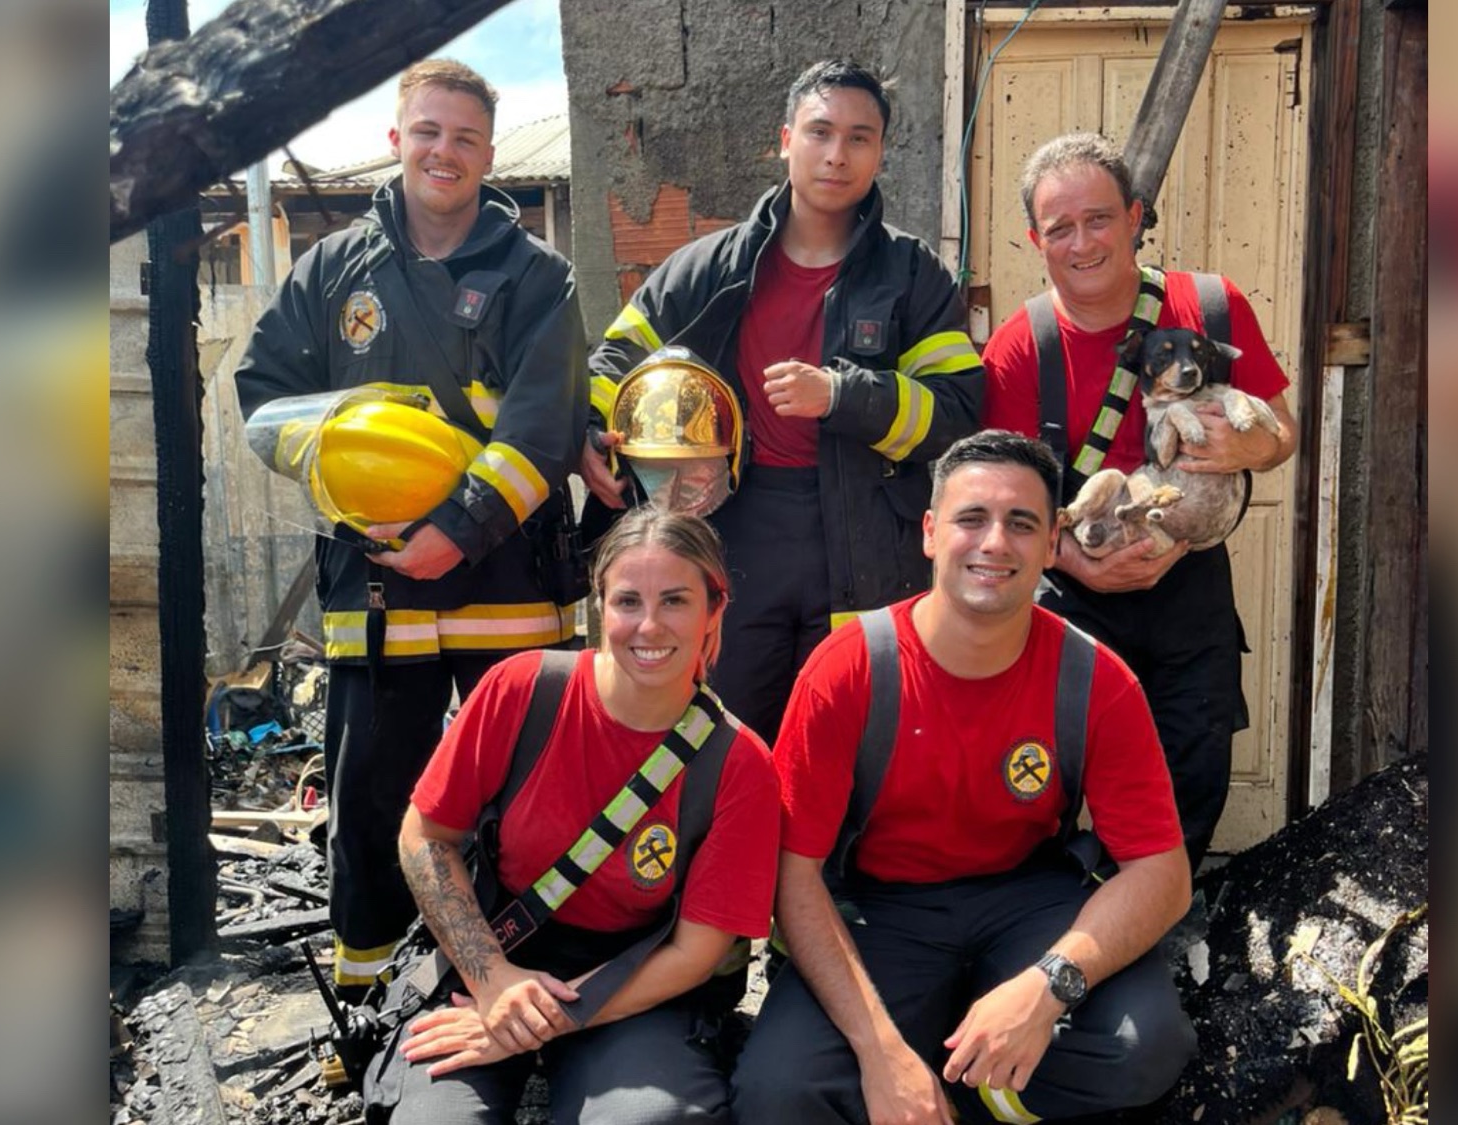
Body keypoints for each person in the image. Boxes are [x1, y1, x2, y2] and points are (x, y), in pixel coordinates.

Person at [233, 59, 588, 993]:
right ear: (398, 140)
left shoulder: (535, 275)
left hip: (508, 584)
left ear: (487, 151)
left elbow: (545, 423)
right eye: (428, 131)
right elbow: (263, 398)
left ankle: (529, 988)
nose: (445, 151)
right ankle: (369, 1003)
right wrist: (343, 461)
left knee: (527, 797)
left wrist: (458, 526)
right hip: (379, 591)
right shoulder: (333, 269)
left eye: (465, 137)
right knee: (373, 800)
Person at [733, 431, 1196, 1125]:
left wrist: (1046, 988)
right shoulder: (847, 668)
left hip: (1026, 901)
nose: (995, 543)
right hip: (880, 911)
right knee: (779, 1092)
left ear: (1051, 543)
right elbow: (792, 876)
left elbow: (1162, 874)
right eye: (971, 518)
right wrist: (880, 1051)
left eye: (1021, 523)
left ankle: (968, 1097)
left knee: (1143, 1045)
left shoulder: (1096, 677)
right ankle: (915, 1076)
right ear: (929, 532)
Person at [580, 58, 983, 743]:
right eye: (820, 131)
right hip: (738, 526)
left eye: (860, 137)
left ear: (881, 151)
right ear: (785, 139)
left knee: (851, 736)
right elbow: (616, 359)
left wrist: (841, 394)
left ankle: (833, 859)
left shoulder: (913, 274)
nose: (837, 154)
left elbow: (956, 412)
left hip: (867, 537)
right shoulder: (712, 267)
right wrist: (594, 433)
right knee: (729, 732)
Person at [384, 508, 779, 1123]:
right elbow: (426, 834)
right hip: (493, 953)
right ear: (599, 606)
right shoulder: (521, 690)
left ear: (714, 612)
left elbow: (697, 953)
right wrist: (492, 982)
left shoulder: (739, 765)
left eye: (675, 600)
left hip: (636, 981)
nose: (649, 625)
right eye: (628, 601)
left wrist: (546, 1019)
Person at [980, 133, 1298, 869]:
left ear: (1134, 216)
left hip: (1191, 579)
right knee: (1049, 767)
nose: (1082, 242)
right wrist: (1071, 561)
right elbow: (999, 497)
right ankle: (1053, 916)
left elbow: (1283, 430)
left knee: (1195, 750)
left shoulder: (1212, 306)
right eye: (1060, 228)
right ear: (1035, 239)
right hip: (1073, 588)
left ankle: (1169, 911)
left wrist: (1252, 446)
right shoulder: (1019, 348)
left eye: (1098, 219)